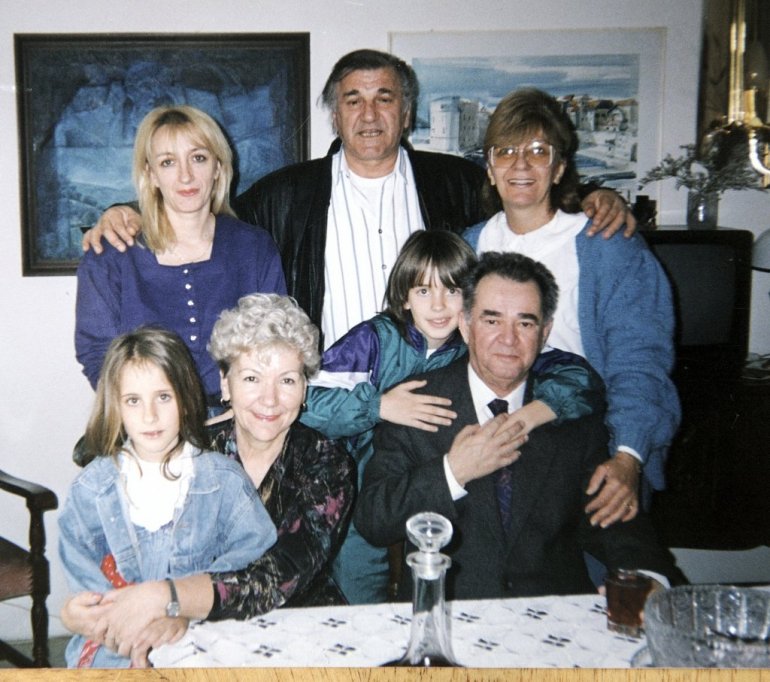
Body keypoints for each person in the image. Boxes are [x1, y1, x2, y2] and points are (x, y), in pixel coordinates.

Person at [82, 50, 634, 350]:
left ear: (406, 112)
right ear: (335, 114)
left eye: (384, 98)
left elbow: (526, 195)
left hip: (435, 392)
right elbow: (198, 209)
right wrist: (125, 210)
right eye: (353, 100)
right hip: (330, 398)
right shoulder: (285, 195)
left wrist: (593, 196)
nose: (369, 114)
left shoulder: (458, 183)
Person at [354, 252, 684, 601]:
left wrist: (650, 578)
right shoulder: (415, 403)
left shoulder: (573, 414)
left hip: (552, 615)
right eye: (492, 320)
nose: (508, 339)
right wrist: (453, 471)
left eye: (525, 323)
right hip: (445, 609)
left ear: (545, 332)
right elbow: (374, 520)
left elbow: (614, 518)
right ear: (465, 325)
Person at [301, 230, 604, 604]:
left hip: (430, 481)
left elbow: (580, 379)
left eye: (451, 290)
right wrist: (378, 406)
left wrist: (533, 414)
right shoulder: (375, 340)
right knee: (357, 582)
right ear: (404, 297)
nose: (438, 305)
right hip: (352, 477)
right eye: (423, 291)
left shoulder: (476, 344)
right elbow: (302, 400)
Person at [62, 294, 355, 667]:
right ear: (225, 384)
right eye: (251, 378)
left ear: (304, 387)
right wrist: (82, 611)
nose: (270, 399)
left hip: (296, 629)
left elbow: (279, 576)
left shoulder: (326, 463)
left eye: (287, 380)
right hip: (189, 633)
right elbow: (103, 466)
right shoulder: (193, 447)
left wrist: (171, 600)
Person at [463, 88, 680, 527]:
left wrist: (628, 456)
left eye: (538, 151)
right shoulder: (469, 246)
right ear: (489, 167)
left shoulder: (607, 247)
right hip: (494, 441)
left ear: (559, 167)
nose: (520, 165)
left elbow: (640, 359)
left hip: (588, 440)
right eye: (506, 151)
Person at [58, 327, 277, 668]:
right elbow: (87, 590)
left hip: (200, 639)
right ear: (115, 406)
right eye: (133, 400)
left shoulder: (224, 482)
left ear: (185, 399)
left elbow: (250, 568)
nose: (150, 416)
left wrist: (184, 611)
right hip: (114, 646)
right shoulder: (91, 491)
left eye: (163, 397)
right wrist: (83, 615)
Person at [75, 104, 286, 404]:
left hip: (238, 418)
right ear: (151, 174)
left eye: (198, 158)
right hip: (145, 421)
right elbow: (97, 353)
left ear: (218, 167)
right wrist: (146, 414)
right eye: (168, 162)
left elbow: (274, 345)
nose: (186, 176)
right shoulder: (111, 255)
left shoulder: (254, 248)